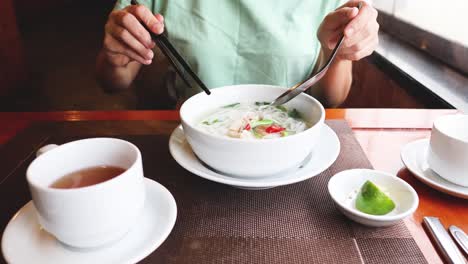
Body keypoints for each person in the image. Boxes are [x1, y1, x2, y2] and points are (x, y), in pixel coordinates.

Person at [96, 0, 379, 107]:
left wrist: (340, 54)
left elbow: (331, 100)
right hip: (194, 136)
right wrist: (115, 57)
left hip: (290, 139)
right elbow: (112, 82)